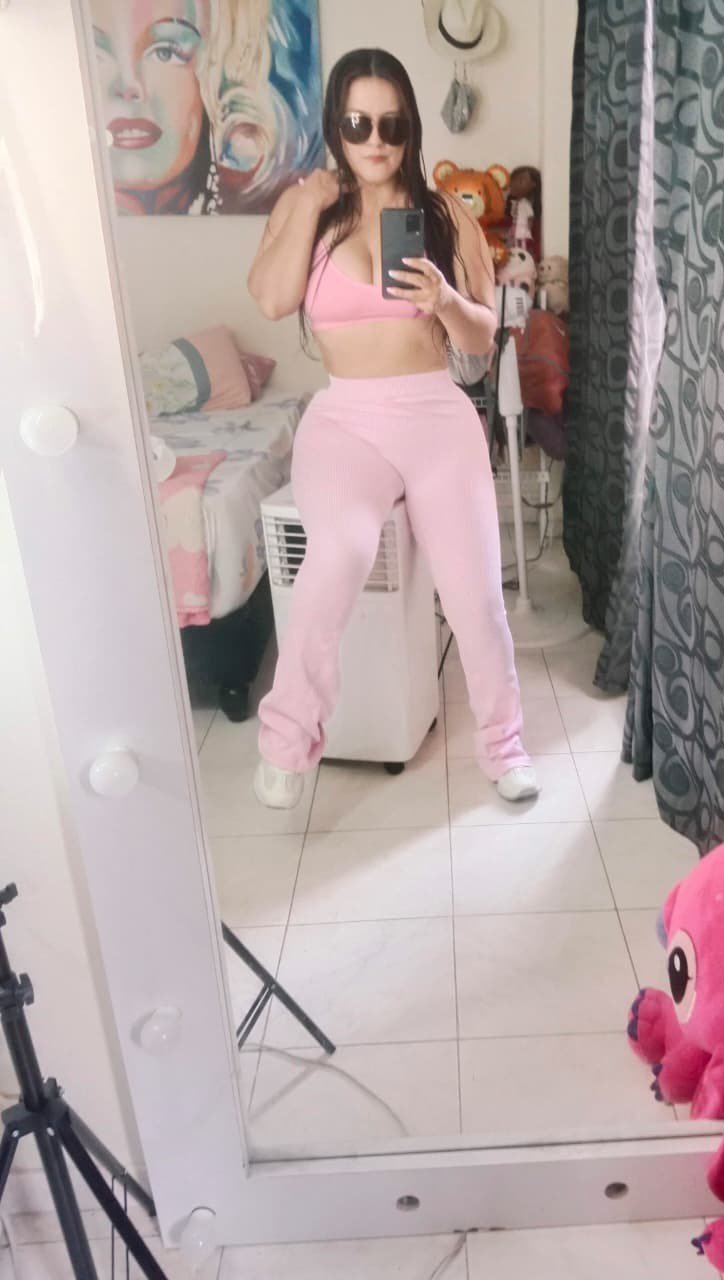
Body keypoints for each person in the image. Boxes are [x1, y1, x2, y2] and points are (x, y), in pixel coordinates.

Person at [248, 47, 539, 808]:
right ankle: (287, 740)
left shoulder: (443, 216)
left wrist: (444, 300)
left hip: (435, 415)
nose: (375, 140)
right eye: (357, 124)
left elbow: (481, 338)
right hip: (346, 420)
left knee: (475, 596)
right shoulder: (307, 209)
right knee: (337, 554)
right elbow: (272, 299)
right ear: (335, 128)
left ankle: (505, 746)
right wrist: (307, 202)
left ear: (410, 127)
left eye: (391, 124)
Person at [90, 0, 318, 215]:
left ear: (218, 75)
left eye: (165, 52)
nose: (129, 86)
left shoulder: (293, 203)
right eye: (95, 55)